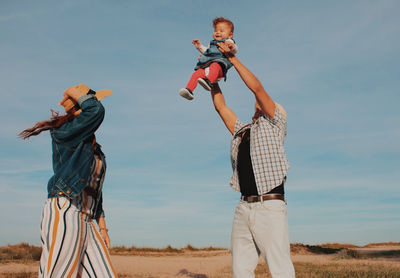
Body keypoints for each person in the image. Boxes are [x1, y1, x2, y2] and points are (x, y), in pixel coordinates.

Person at [210, 42, 296, 278]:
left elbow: (257, 88)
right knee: (241, 270)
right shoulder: (243, 130)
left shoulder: (275, 124)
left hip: (270, 206)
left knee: (280, 268)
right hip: (243, 207)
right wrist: (212, 79)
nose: (259, 103)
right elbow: (221, 108)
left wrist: (232, 59)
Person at [19, 84, 117, 278]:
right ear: (80, 108)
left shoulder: (92, 145)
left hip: (87, 219)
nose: (96, 104)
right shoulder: (65, 132)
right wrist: (74, 92)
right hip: (66, 211)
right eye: (91, 101)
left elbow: (95, 189)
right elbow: (96, 110)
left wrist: (103, 226)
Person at [179, 17, 238, 100]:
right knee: (197, 73)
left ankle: (209, 82)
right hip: (207, 68)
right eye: (216, 30)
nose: (218, 32)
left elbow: (234, 50)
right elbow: (207, 51)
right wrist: (199, 46)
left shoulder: (228, 41)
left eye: (221, 31)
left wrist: (231, 46)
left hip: (219, 69)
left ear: (230, 35)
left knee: (215, 65)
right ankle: (189, 90)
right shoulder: (212, 44)